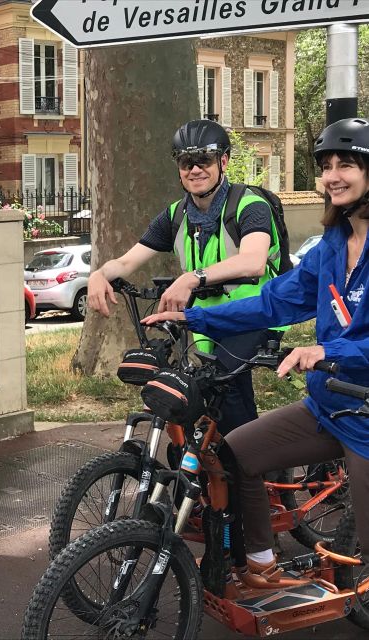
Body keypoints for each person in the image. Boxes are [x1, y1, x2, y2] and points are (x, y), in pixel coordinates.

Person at [142, 117, 369, 583]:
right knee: (233, 455)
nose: (332, 176)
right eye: (325, 166)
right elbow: (273, 301)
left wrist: (329, 350)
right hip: (330, 406)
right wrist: (196, 318)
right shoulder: (333, 243)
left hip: (366, 415)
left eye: (346, 164)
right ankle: (262, 566)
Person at [87, 119, 286, 436]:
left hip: (257, 315)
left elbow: (253, 261)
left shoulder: (250, 205)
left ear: (223, 161)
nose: (195, 169)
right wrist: (99, 274)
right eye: (185, 162)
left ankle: (251, 474)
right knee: (190, 397)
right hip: (207, 318)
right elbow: (127, 261)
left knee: (226, 389)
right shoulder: (176, 215)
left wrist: (192, 278)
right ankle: (210, 475)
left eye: (204, 160)